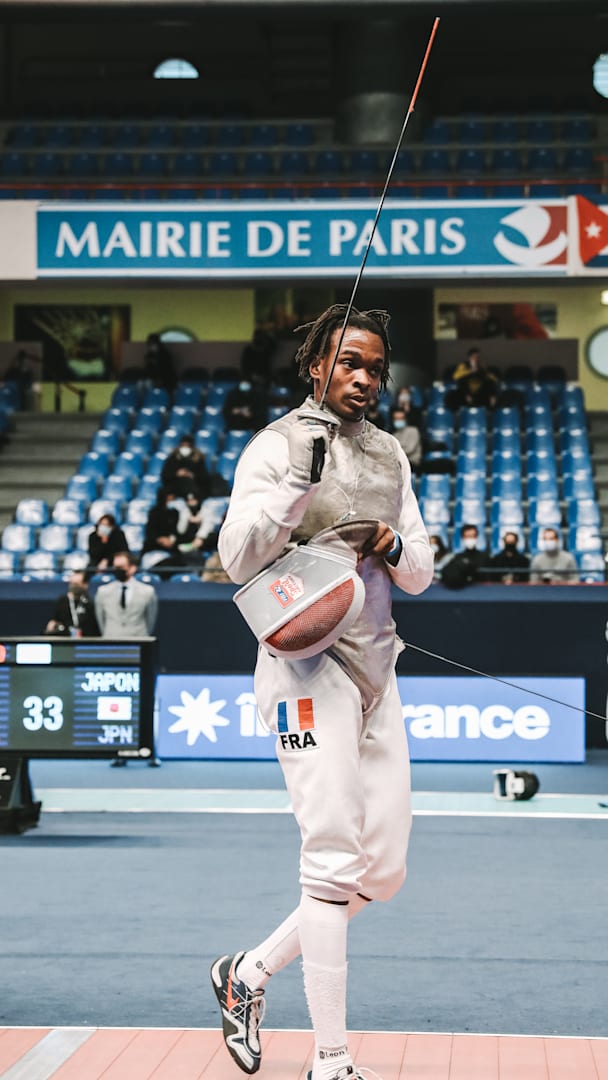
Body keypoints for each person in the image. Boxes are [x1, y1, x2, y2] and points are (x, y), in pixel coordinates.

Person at [212, 304, 433, 1080]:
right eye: (349, 364)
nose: (365, 379)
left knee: (384, 873)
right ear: (316, 366)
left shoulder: (388, 456)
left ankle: (249, 973)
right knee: (334, 861)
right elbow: (236, 557)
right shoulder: (278, 444)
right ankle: (331, 1060)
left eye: (375, 366)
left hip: (379, 670)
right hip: (307, 672)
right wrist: (295, 492)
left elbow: (421, 571)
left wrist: (392, 540)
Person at [94, 551, 158, 637]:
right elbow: (101, 620)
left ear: (132, 568)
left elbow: (150, 620)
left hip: (138, 640)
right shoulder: (103, 591)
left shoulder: (147, 591)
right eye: (116, 567)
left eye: (121, 567)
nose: (118, 570)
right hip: (111, 640)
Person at [45, 570, 100, 637]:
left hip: (85, 641)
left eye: (76, 584)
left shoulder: (90, 603)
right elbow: (54, 621)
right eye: (71, 583)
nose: (73, 587)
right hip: (65, 640)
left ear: (85, 585)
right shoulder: (62, 601)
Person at [160, 435, 210, 501]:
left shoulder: (198, 459)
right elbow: (165, 475)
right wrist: (176, 474)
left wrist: (193, 475)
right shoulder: (173, 458)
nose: (185, 448)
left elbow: (204, 477)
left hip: (193, 487)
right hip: (175, 486)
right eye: (183, 445)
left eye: (188, 445)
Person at [440, 523, 486, 588]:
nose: (470, 539)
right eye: (467, 536)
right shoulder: (458, 557)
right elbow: (446, 573)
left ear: (477, 537)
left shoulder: (485, 557)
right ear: (463, 538)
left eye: (472, 536)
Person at [390, 405, 423, 471]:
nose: (399, 421)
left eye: (401, 418)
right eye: (396, 419)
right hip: (398, 463)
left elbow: (409, 449)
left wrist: (395, 452)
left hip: (411, 463)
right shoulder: (394, 435)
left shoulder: (413, 430)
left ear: (405, 419)